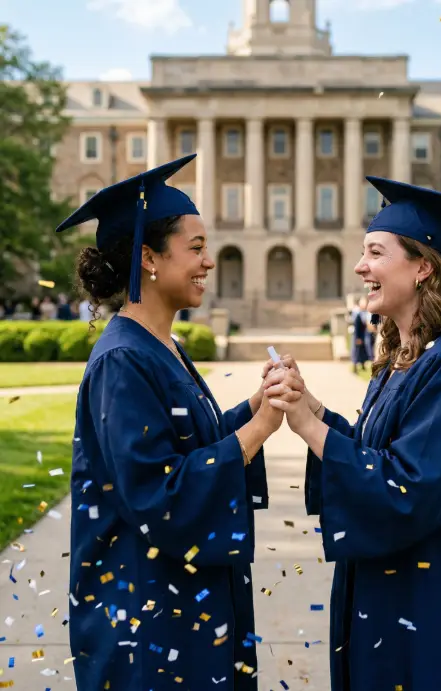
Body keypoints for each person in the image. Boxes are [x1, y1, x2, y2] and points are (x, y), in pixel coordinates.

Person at [56, 154, 301, 691]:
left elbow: (194, 444)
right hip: (146, 620)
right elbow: (156, 491)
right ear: (149, 258)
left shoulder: (162, 346)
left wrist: (257, 407)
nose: (208, 262)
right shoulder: (123, 358)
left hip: (182, 605)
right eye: (195, 249)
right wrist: (257, 433)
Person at [263, 178, 441, 691]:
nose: (360, 268)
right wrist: (315, 410)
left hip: (434, 607)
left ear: (422, 266)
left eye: (375, 252)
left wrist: (309, 430)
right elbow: (379, 452)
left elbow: (408, 487)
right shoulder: (406, 358)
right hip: (394, 599)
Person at [350, 296, 371, 373]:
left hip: (363, 335)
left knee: (362, 352)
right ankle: (355, 368)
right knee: (356, 352)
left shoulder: (366, 313)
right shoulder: (357, 313)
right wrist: (358, 338)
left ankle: (362, 365)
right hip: (357, 335)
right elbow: (357, 326)